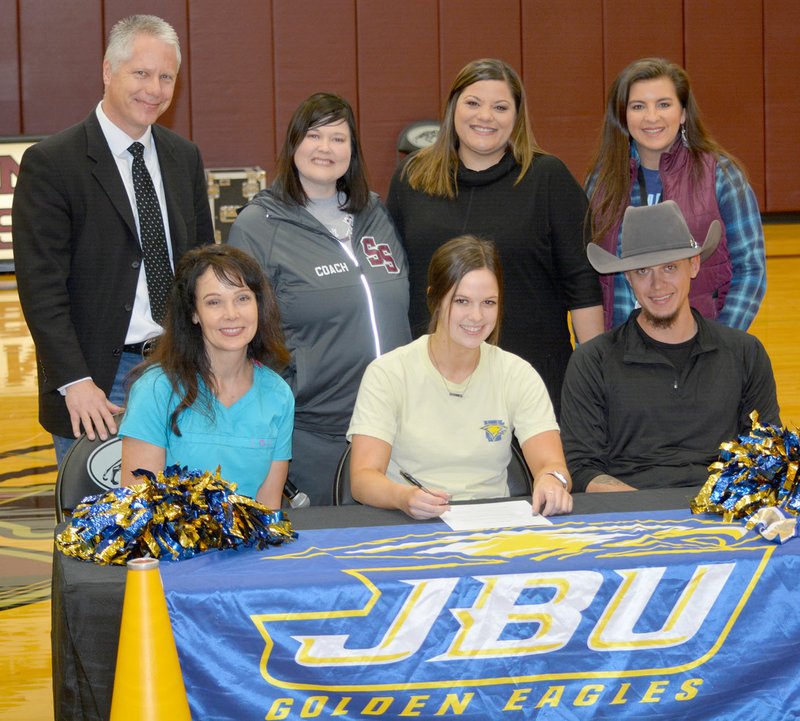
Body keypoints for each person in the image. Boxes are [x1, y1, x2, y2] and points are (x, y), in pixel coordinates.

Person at [12, 14, 213, 465]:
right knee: (102, 529)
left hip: (181, 370)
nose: (155, 89)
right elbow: (41, 290)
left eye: (166, 77)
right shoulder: (52, 164)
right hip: (99, 386)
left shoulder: (184, 157)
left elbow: (203, 270)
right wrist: (75, 382)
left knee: (185, 521)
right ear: (107, 71)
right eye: (141, 73)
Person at [387, 58, 603, 418]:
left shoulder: (548, 178)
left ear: (517, 117)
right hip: (432, 382)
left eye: (500, 107)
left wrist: (596, 380)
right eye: (473, 103)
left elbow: (583, 287)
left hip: (531, 382)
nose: (485, 116)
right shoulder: (412, 177)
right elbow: (394, 279)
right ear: (453, 107)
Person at [228, 92, 411, 505]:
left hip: (396, 426)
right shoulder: (259, 225)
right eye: (314, 135)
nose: (325, 148)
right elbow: (238, 331)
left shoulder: (376, 214)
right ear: (294, 144)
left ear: (353, 151)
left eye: (338, 138)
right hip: (315, 432)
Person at [347, 235, 573, 520]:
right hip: (409, 523)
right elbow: (363, 478)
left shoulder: (517, 374)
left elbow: (552, 464)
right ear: (435, 299)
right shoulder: (388, 373)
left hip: (494, 528)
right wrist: (403, 497)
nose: (476, 316)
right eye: (462, 301)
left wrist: (553, 480)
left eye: (489, 302)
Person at [560, 201, 779, 493]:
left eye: (670, 267)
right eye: (642, 271)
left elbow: (765, 454)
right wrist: (650, 516)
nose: (657, 284)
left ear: (694, 265)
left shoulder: (745, 353)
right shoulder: (592, 362)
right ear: (627, 277)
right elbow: (581, 467)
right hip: (631, 519)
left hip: (722, 510)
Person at [585, 57, 765, 332]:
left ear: (683, 113)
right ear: (623, 116)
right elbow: (587, 277)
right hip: (621, 352)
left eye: (664, 104)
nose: (652, 117)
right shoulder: (600, 182)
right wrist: (599, 350)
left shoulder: (722, 175)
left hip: (700, 348)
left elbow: (751, 270)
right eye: (638, 106)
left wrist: (721, 343)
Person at [118, 245, 294, 507]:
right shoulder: (156, 389)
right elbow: (140, 509)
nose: (231, 314)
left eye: (242, 298)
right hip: (173, 546)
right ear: (193, 313)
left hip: (251, 547)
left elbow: (269, 511)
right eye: (214, 302)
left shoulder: (278, 393)